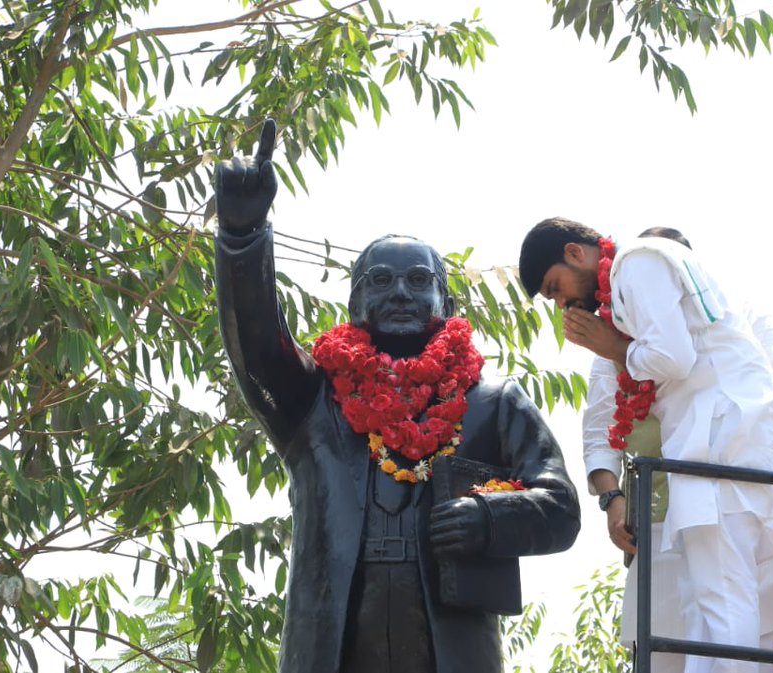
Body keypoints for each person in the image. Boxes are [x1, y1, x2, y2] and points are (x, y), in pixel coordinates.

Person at [214, 120, 581, 673]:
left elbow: (561, 508)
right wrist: (242, 236)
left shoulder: (494, 400)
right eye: (381, 281)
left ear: (445, 299)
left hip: (451, 645)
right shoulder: (315, 396)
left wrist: (489, 516)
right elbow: (258, 347)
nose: (401, 293)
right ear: (356, 299)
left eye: (418, 280)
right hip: (334, 643)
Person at [519, 217, 773, 673]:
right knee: (703, 604)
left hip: (717, 443)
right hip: (706, 446)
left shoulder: (637, 260)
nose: (563, 303)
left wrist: (615, 347)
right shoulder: (636, 271)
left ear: (576, 253)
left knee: (722, 597)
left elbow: (673, 357)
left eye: (556, 288)